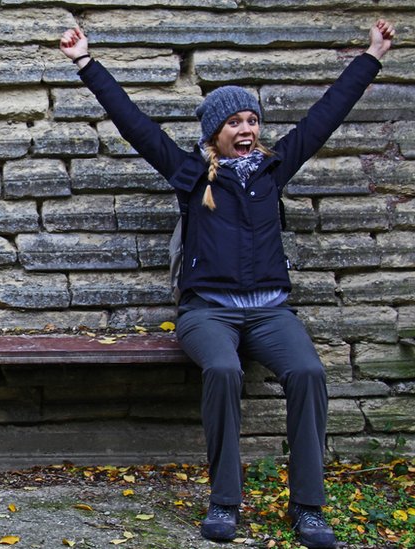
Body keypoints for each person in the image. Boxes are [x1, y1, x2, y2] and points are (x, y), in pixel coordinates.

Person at [60, 19, 395, 549]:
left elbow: (327, 114)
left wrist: (373, 56)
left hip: (269, 313)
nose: (247, 129)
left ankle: (309, 509)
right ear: (215, 131)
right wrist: (86, 62)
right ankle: (224, 501)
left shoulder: (273, 170)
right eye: (235, 122)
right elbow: (135, 124)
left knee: (307, 372)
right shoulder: (190, 173)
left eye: (252, 121)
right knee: (222, 368)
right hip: (207, 312)